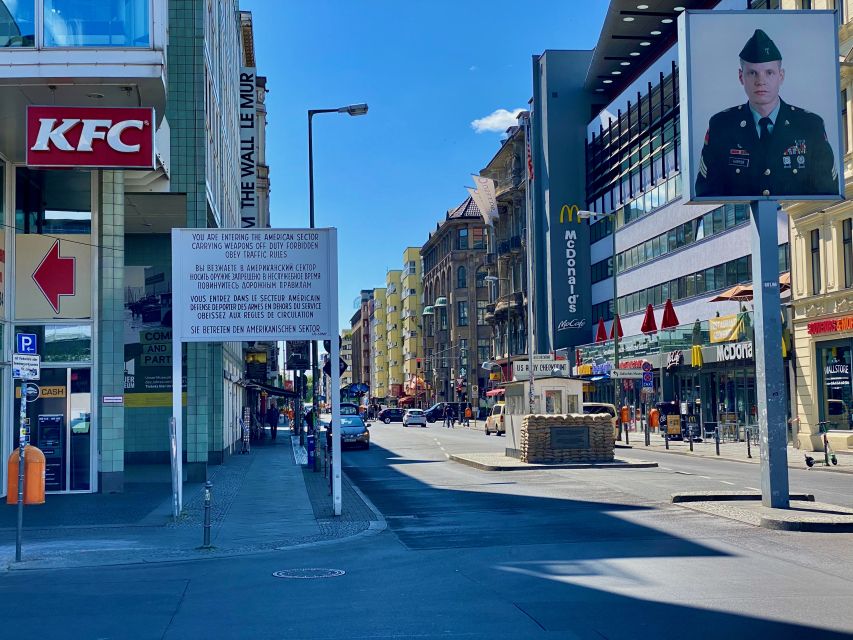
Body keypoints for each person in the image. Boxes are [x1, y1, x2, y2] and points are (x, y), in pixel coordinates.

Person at [694, 28, 837, 198]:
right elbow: (707, 192)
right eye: (752, 73)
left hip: (796, 221)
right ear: (741, 77)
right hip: (746, 221)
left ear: (781, 76)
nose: (760, 81)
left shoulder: (809, 125)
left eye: (769, 73)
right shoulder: (722, 126)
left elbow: (828, 190)